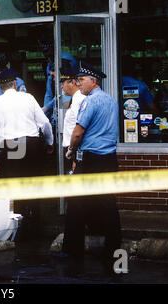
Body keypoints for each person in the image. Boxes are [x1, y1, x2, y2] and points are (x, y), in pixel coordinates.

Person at [63, 61, 121, 277]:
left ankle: (73, 251)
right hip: (108, 158)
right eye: (77, 80)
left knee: (76, 203)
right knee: (108, 204)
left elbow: (78, 132)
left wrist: (71, 150)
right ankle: (113, 251)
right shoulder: (112, 101)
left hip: (91, 159)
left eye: (82, 80)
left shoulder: (90, 102)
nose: (79, 84)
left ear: (93, 81)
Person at [0, 68, 54, 178]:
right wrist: (50, 142)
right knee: (34, 182)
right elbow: (45, 123)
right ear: (15, 84)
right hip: (32, 145)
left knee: (14, 184)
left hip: (10, 147)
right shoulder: (28, 97)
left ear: (0, 87)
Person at [38, 39, 78, 126]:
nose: (45, 54)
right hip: (57, 97)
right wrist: (45, 112)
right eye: (43, 51)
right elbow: (49, 91)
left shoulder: (65, 59)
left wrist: (46, 108)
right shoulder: (49, 61)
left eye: (47, 51)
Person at [60, 62, 85, 174]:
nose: (61, 86)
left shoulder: (79, 99)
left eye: (63, 82)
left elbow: (80, 129)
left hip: (75, 150)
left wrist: (75, 157)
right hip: (72, 150)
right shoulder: (75, 99)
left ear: (73, 82)